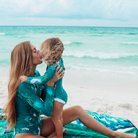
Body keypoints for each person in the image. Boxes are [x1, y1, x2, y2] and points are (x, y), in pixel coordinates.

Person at [2, 41, 136, 138]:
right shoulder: (23, 86)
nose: (39, 52)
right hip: (25, 133)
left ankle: (114, 134)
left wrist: (56, 81)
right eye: (34, 50)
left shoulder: (36, 75)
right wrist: (50, 84)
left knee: (77, 110)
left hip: (39, 126)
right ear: (26, 58)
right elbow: (47, 111)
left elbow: (45, 97)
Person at [20, 37, 67, 138]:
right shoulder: (59, 61)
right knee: (59, 117)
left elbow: (43, 79)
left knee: (55, 118)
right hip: (60, 94)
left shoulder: (52, 67)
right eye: (35, 50)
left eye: (43, 50)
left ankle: (59, 135)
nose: (40, 52)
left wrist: (27, 79)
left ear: (52, 51)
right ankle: (57, 132)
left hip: (58, 96)